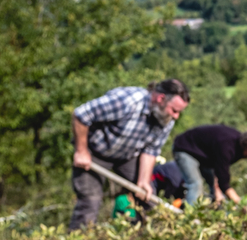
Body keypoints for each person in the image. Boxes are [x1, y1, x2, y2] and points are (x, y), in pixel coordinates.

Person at [69, 79, 190, 230]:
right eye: (174, 110)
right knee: (90, 202)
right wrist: (81, 151)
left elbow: (151, 150)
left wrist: (144, 180)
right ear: (161, 99)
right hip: (95, 152)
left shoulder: (165, 119)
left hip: (127, 156)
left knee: (147, 197)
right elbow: (81, 114)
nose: (176, 116)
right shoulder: (127, 101)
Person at [171, 125, 247, 205]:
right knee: (195, 183)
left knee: (217, 190)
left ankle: (216, 211)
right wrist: (239, 202)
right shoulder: (227, 146)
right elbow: (224, 182)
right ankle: (189, 217)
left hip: (202, 157)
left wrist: (218, 191)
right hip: (185, 150)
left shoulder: (237, 146)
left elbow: (219, 170)